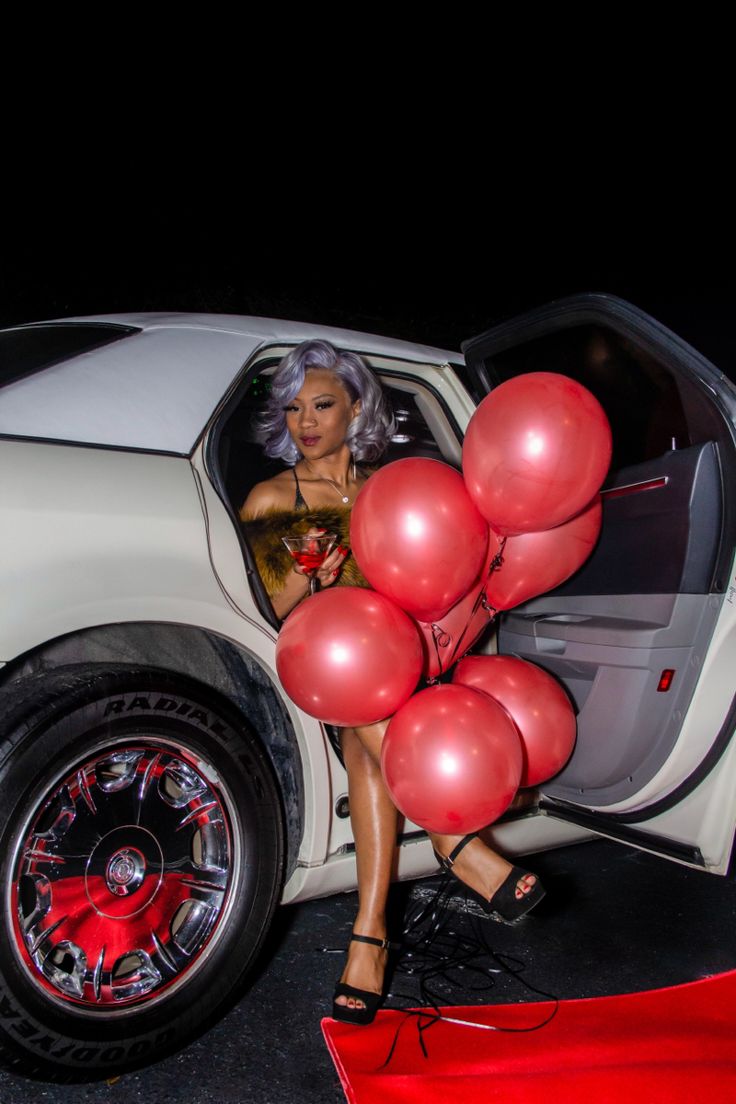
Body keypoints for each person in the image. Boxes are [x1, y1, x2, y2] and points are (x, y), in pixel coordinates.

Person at [240, 339, 544, 1025]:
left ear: (356, 408)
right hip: (327, 669)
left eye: (321, 404)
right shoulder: (272, 497)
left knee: (367, 735)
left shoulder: (393, 487)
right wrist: (313, 576)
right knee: (359, 706)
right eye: (292, 409)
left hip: (403, 669)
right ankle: (454, 840)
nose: (305, 422)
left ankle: (369, 938)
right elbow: (281, 611)